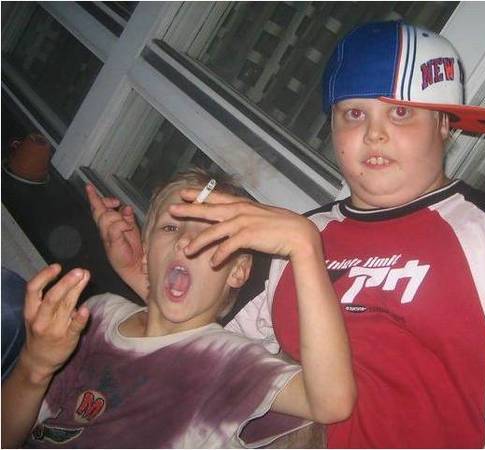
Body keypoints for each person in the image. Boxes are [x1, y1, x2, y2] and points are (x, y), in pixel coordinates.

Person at [87, 20, 485, 448]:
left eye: (401, 112)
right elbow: (205, 343)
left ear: (445, 124)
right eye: (354, 114)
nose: (374, 133)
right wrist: (146, 279)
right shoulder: (299, 234)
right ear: (332, 128)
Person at [1, 169, 355, 448]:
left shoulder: (229, 363)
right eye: (171, 226)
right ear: (146, 253)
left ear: (238, 271)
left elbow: (331, 402)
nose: (186, 238)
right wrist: (35, 366)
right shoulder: (98, 314)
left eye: (209, 232)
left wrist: (305, 247)